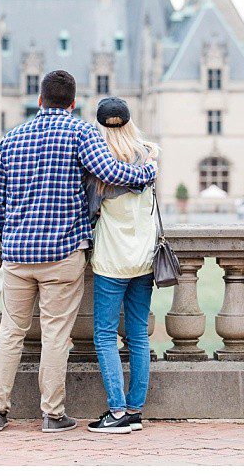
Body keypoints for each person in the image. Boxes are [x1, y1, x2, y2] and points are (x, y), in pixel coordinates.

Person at [0, 71, 158, 433]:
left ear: (39, 100)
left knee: (11, 332)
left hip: (17, 255)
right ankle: (52, 414)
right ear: (73, 102)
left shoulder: (11, 138)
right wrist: (147, 172)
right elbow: (110, 172)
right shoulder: (80, 132)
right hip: (62, 253)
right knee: (55, 335)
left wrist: (8, 237)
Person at [84, 97, 159, 434]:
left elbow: (90, 211)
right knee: (139, 336)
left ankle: (116, 412)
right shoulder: (149, 157)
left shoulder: (99, 166)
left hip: (111, 261)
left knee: (104, 335)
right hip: (144, 259)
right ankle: (135, 410)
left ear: (101, 126)